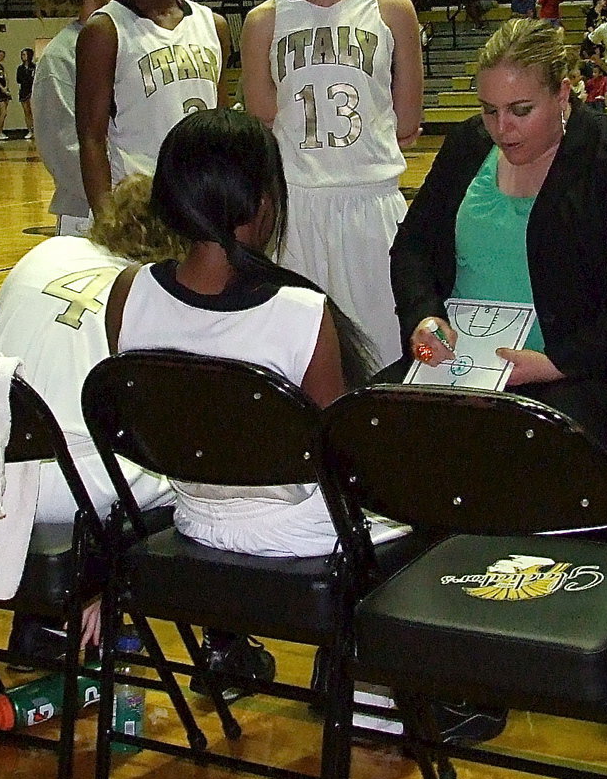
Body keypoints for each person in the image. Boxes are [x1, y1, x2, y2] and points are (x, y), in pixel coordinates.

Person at [107, 109, 405, 696]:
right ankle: (368, 689)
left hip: (192, 515)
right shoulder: (301, 313)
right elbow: (337, 460)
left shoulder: (127, 292)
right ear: (264, 203)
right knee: (435, 504)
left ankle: (235, 653)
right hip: (297, 534)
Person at [390, 18, 607, 468]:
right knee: (376, 429)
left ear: (562, 94)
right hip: (464, 365)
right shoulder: (466, 143)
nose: (502, 128)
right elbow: (413, 248)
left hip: (580, 375)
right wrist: (423, 317)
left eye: (521, 110)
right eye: (489, 110)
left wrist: (554, 362)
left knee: (531, 457)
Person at [0, 174, 180, 658]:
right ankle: (106, 599)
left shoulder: (45, 254)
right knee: (204, 468)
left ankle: (51, 616)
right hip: (71, 491)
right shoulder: (150, 291)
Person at [239, 0, 423, 368]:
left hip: (372, 204)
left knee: (388, 354)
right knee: (300, 360)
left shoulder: (391, 8)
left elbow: (409, 119)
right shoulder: (264, 21)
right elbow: (260, 123)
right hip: (296, 208)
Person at [75, 0, 232, 214]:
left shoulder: (213, 26)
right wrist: (107, 220)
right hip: (139, 205)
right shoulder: (104, 30)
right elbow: (91, 137)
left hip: (202, 200)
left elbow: (221, 124)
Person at [32, 0, 129, 234]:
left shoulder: (133, 42)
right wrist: (119, 203)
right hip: (88, 214)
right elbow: (66, 152)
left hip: (145, 210)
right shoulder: (61, 56)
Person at [16, 48, 36, 137]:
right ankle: (29, 130)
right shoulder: (20, 68)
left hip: (32, 91)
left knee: (33, 111)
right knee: (26, 112)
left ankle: (36, 130)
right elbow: (18, 80)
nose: (22, 57)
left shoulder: (34, 67)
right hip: (24, 91)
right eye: (22, 55)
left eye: (24, 54)